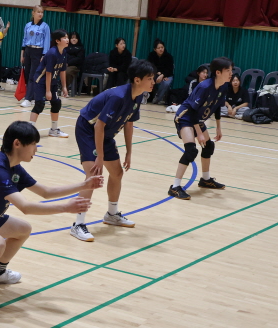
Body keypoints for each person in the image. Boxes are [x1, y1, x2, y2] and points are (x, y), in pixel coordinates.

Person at [0, 121, 103, 322]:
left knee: (22, 229)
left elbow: (46, 192)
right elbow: (26, 207)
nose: (36, 149)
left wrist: (84, 184)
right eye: (34, 144)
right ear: (17, 143)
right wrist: (65, 207)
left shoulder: (14, 167)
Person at [70, 60, 156, 241]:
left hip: (106, 133)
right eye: (150, 78)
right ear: (137, 80)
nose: (153, 82)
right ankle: (78, 224)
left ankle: (112, 214)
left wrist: (129, 152)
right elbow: (98, 125)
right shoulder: (118, 96)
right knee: (93, 176)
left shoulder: (138, 97)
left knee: (117, 173)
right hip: (88, 128)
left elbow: (129, 124)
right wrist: (100, 157)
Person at [168, 57, 232, 200]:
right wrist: (199, 132)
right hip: (186, 117)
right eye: (228, 70)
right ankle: (175, 187)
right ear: (218, 72)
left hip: (198, 118)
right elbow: (193, 111)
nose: (231, 73)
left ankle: (205, 179)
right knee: (191, 150)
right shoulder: (204, 87)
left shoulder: (223, 86)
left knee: (208, 146)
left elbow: (217, 106)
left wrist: (218, 127)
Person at [29, 29, 69, 137]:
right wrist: (47, 91)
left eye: (67, 37)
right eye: (64, 38)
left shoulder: (64, 52)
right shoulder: (52, 53)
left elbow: (63, 71)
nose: (67, 39)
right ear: (57, 41)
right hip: (41, 81)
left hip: (53, 82)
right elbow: (48, 73)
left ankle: (54, 130)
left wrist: (64, 87)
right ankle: (29, 131)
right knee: (39, 104)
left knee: (56, 103)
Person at [19, 5, 50, 107]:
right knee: (27, 74)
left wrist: (44, 55)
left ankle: (28, 99)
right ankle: (32, 97)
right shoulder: (28, 25)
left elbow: (46, 41)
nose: (40, 14)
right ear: (33, 13)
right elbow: (24, 39)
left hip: (38, 51)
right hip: (28, 50)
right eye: (38, 12)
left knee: (33, 75)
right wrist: (22, 53)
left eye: (42, 12)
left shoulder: (45, 26)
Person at [146, 39, 175, 104]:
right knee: (148, 79)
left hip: (167, 75)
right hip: (154, 74)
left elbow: (170, 69)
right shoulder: (151, 55)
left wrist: (163, 75)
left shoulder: (169, 57)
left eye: (162, 47)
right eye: (158, 48)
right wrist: (156, 73)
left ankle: (158, 98)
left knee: (166, 83)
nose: (161, 49)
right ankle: (147, 96)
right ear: (155, 49)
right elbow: (150, 66)